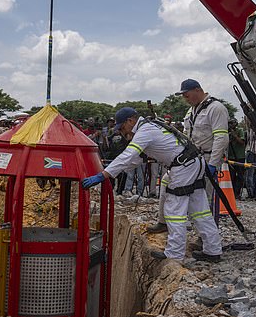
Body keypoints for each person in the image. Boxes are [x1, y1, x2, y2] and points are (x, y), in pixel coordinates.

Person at [82, 107, 222, 262]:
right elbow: (136, 160)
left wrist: (103, 175)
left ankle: (174, 254)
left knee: (174, 210)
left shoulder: (145, 131)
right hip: (193, 163)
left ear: (130, 121)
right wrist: (111, 171)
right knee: (200, 210)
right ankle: (213, 250)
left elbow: (128, 155)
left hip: (183, 167)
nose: (123, 132)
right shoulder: (152, 125)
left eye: (122, 127)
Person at [148, 79, 229, 232]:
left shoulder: (215, 108)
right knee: (166, 181)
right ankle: (163, 221)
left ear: (198, 90)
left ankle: (204, 237)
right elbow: (186, 137)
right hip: (190, 159)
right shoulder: (191, 111)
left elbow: (221, 138)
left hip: (207, 157)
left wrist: (213, 164)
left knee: (204, 198)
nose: (185, 99)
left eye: (187, 95)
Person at [228, 118, 246, 200]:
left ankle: (237, 193)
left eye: (232, 123)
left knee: (240, 176)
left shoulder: (240, 130)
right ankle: (231, 193)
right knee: (231, 176)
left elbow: (242, 142)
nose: (231, 125)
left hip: (240, 156)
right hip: (231, 157)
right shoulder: (227, 132)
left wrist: (235, 136)